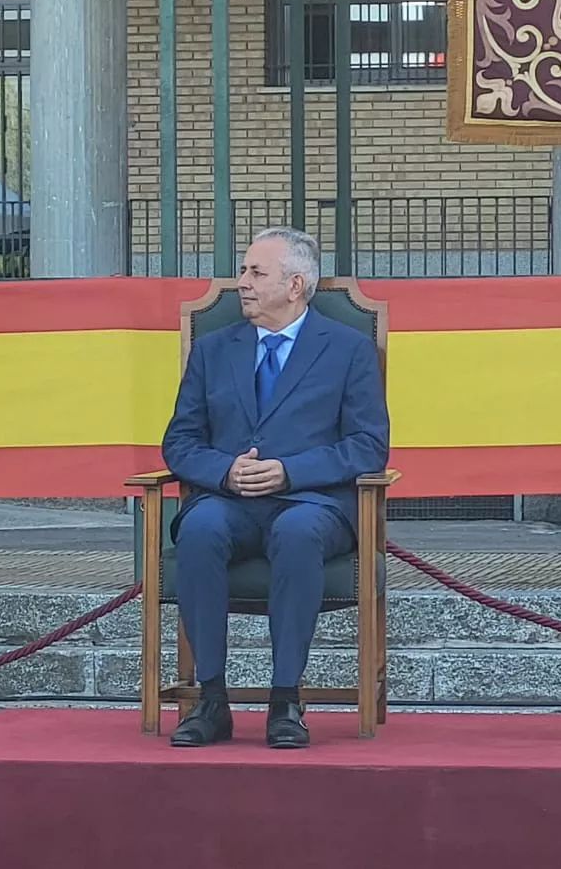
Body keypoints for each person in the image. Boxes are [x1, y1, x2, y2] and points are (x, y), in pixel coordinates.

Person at [159, 227, 390, 750]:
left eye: (255, 273)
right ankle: (211, 701)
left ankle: (285, 700)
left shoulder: (348, 349)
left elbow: (367, 447)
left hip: (312, 502)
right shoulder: (213, 349)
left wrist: (290, 471)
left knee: (298, 531)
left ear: (295, 285)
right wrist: (225, 471)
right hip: (229, 500)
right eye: (244, 270)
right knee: (198, 528)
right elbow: (179, 443)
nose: (241, 283)